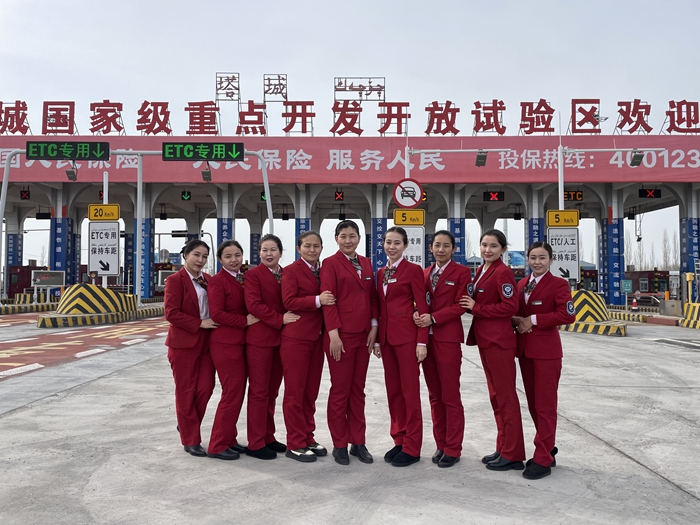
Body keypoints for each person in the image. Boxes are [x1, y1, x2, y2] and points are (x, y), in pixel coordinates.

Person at [460, 229, 525, 471]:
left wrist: (477, 308)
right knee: (496, 396)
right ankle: (503, 446)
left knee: (506, 397)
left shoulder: (502, 272)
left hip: (499, 342)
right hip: (487, 340)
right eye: (484, 245)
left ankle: (513, 454)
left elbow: (510, 306)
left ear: (503, 250)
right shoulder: (482, 270)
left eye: (494, 246)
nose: (488, 250)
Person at [512, 241, 576, 480]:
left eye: (542, 258)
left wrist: (534, 319)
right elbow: (517, 312)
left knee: (545, 406)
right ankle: (547, 448)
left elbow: (567, 314)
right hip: (525, 352)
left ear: (551, 260)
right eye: (533, 258)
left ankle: (542, 458)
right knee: (533, 404)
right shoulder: (521, 285)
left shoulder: (558, 284)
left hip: (547, 353)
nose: (537, 262)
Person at [320, 220, 379, 466]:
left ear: (359, 238)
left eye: (352, 236)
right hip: (341, 337)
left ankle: (358, 441)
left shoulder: (366, 263)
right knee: (340, 390)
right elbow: (329, 300)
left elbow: (373, 297)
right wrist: (333, 334)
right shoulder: (330, 263)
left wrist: (374, 327)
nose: (348, 240)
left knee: (358, 389)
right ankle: (339, 444)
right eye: (343, 236)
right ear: (336, 239)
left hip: (364, 334)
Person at [414, 230, 472, 468]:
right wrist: (416, 313)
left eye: (446, 245)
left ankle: (453, 448)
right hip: (426, 341)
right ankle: (441, 444)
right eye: (437, 245)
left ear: (454, 249)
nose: (441, 250)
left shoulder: (462, 272)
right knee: (435, 396)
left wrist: (434, 318)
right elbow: (418, 301)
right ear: (430, 248)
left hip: (447, 339)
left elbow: (461, 305)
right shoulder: (425, 273)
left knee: (450, 395)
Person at [375, 226, 429, 467]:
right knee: (394, 392)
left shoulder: (413, 270)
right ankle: (399, 439)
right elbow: (380, 306)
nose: (392, 247)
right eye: (388, 242)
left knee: (410, 393)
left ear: (406, 245)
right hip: (387, 340)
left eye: (397, 243)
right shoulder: (381, 272)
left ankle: (412, 447)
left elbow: (422, 308)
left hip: (408, 339)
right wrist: (378, 339)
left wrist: (421, 341)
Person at [244, 234, 300, 460]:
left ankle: (268, 436)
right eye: (264, 250)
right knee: (259, 391)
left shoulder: (286, 274)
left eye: (273, 250)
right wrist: (280, 319)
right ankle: (255, 442)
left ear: (281, 252)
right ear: (259, 253)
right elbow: (254, 305)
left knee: (272, 391)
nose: (269, 254)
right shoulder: (253, 275)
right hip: (260, 340)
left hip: (282, 341)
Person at [280, 231, 334, 462]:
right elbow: (288, 300)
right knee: (295, 392)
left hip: (317, 338)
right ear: (298, 249)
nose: (312, 250)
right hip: (297, 338)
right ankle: (294, 442)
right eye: (307, 246)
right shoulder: (291, 271)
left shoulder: (324, 271)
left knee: (310, 392)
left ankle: (307, 436)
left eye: (316, 246)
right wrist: (317, 300)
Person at [164, 239, 218, 457]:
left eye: (204, 256)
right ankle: (190, 439)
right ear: (185, 255)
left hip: (207, 342)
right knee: (186, 391)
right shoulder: (174, 280)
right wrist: (199, 323)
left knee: (206, 387)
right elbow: (171, 313)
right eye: (196, 255)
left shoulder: (209, 280)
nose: (200, 260)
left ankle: (186, 423)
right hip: (183, 344)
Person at [206, 240, 259, 460]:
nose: (234, 260)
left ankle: (229, 438)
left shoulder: (243, 279)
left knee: (238, 392)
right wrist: (244, 321)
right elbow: (217, 314)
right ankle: (217, 444)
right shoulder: (218, 281)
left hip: (239, 343)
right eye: (228, 256)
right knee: (232, 392)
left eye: (237, 255)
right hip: (225, 343)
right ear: (220, 259)